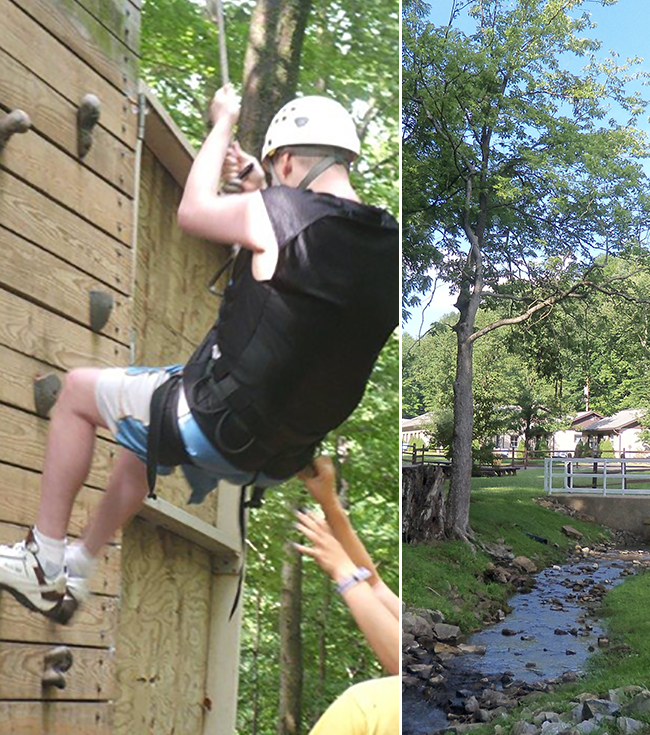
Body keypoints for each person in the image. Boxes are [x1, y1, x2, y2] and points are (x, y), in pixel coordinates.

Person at [0, 86, 399, 623]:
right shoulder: (387, 245)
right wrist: (263, 188)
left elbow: (194, 212)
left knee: (76, 392)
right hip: (278, 454)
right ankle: (80, 564)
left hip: (215, 421)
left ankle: (42, 557)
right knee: (141, 431)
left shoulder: (277, 211)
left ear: (286, 160)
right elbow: (307, 268)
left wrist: (222, 123)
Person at [295, 455, 399, 734]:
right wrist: (328, 503)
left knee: (360, 705)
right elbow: (374, 584)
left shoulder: (368, 708)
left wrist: (343, 570)